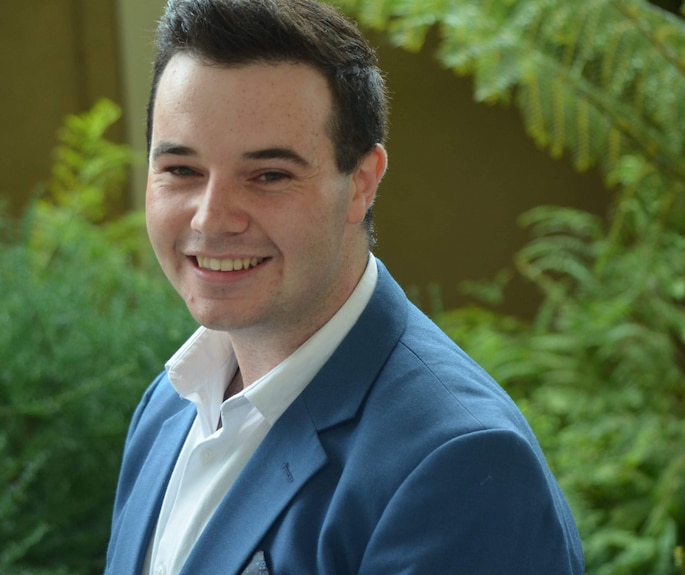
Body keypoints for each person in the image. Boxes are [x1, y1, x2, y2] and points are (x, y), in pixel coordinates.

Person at [104, 0, 584, 573]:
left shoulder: (460, 465)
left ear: (361, 184)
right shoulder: (169, 406)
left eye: (269, 176)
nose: (211, 219)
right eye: (182, 170)